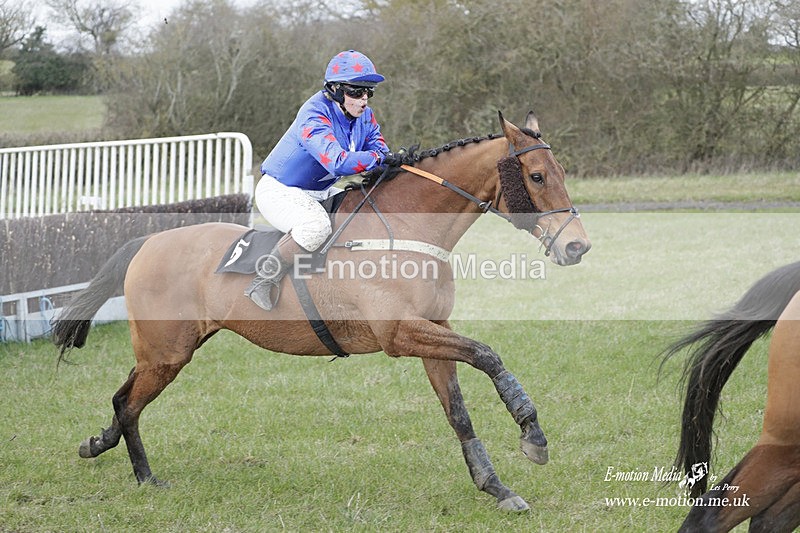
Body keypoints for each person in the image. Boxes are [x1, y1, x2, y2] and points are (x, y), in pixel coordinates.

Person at [246, 50, 404, 311]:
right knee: (316, 226)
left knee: (358, 212)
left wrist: (388, 159)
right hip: (280, 191)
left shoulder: (365, 116)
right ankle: (263, 280)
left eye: (369, 92)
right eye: (356, 92)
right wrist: (378, 158)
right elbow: (338, 162)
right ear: (335, 90)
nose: (364, 99)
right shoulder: (314, 114)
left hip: (319, 190)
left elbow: (380, 150)